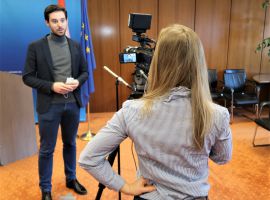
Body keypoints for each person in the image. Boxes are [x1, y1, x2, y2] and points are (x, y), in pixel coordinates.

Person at [79, 24, 232, 200]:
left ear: (157, 61)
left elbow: (88, 158)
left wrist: (126, 187)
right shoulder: (217, 114)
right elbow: (222, 158)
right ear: (198, 63)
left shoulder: (131, 111)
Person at [23, 5, 88, 200]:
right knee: (47, 149)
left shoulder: (75, 45)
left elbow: (84, 72)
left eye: (62, 20)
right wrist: (52, 86)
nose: (59, 25)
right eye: (54, 21)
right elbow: (27, 77)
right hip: (49, 105)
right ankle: (46, 189)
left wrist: (78, 81)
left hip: (72, 106)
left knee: (70, 144)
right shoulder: (36, 47)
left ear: (67, 21)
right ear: (47, 22)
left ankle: (71, 178)